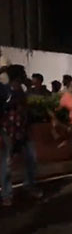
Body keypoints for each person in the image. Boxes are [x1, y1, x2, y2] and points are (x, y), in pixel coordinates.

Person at [0, 77, 42, 206]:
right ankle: (6, 194)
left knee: (31, 159)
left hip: (23, 130)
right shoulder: (4, 90)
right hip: (7, 131)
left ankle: (29, 185)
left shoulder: (22, 90)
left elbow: (25, 110)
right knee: (6, 165)